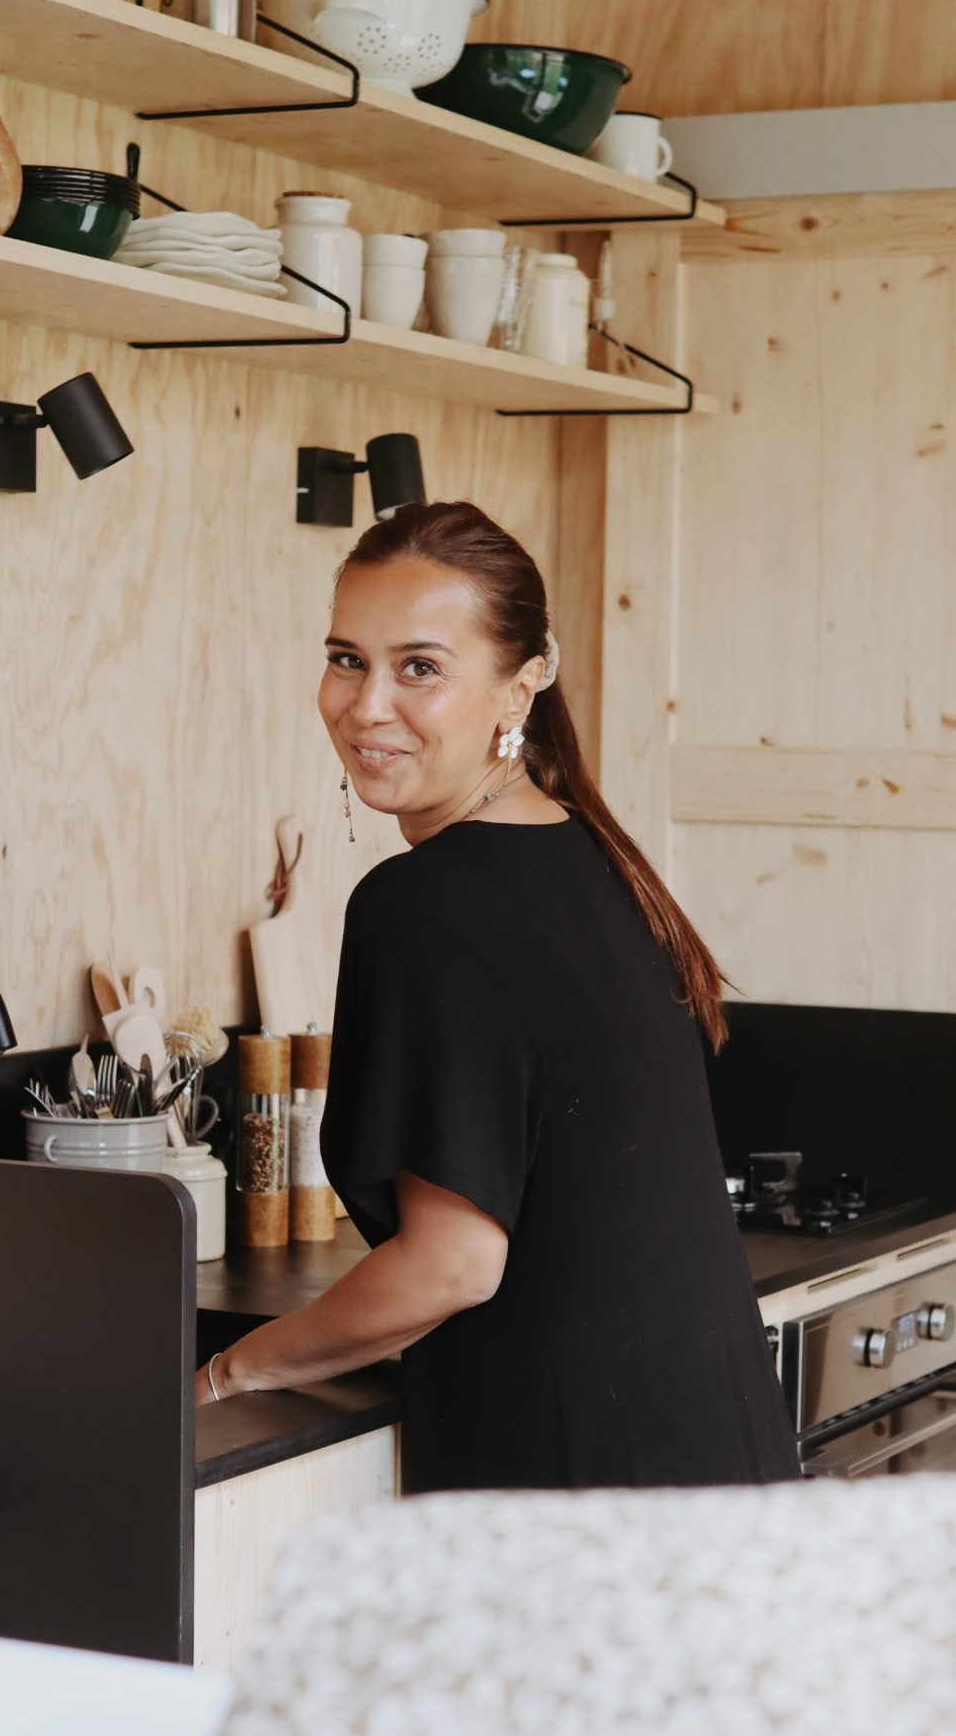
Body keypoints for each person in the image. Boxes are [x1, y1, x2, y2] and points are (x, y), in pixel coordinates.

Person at [198, 501, 800, 1492]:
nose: (365, 703)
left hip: (570, 1487)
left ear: (522, 685)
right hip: (709, 1452)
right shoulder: (590, 855)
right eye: (347, 657)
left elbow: (452, 1265)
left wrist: (231, 1371)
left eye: (420, 667)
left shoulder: (422, 906)